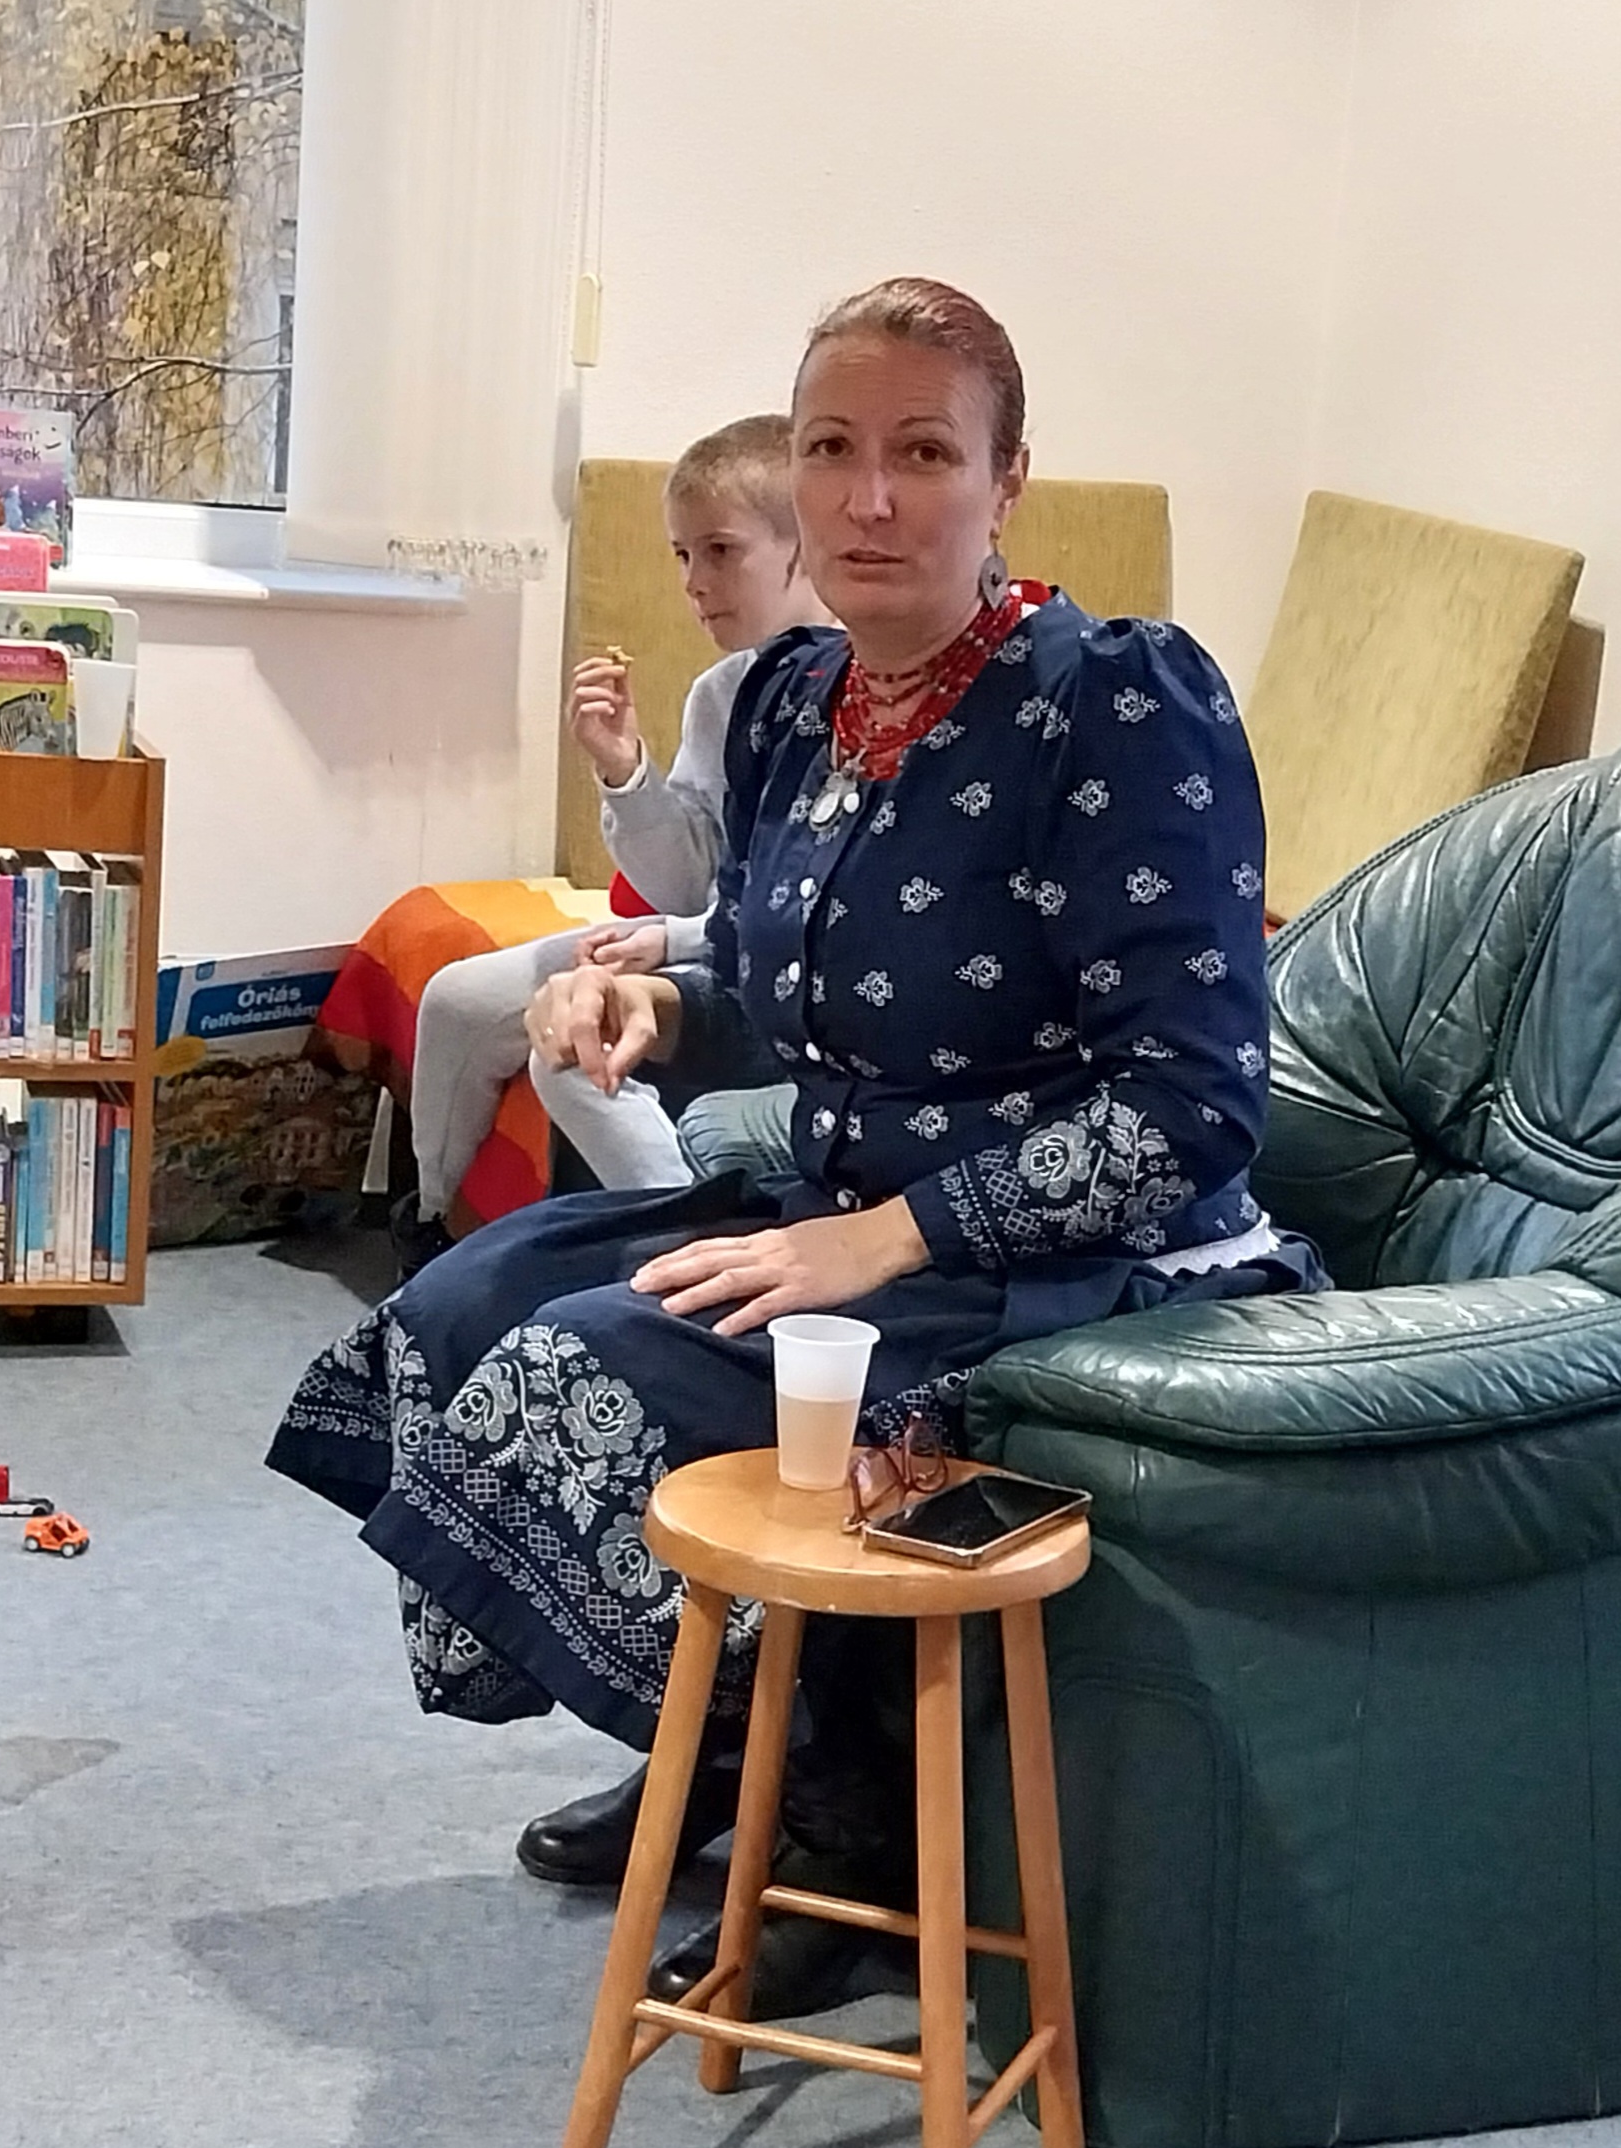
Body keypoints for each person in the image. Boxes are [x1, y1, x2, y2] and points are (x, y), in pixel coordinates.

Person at [268, 277, 1318, 2018]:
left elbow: (1194, 1109)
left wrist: (887, 1238)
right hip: (844, 1205)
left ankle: (842, 1845)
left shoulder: (1115, 703)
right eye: (833, 449)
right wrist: (652, 1012)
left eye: (926, 453)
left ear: (1007, 481)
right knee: (463, 1304)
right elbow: (786, 997)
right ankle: (715, 1750)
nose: (870, 497)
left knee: (591, 1360)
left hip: (1072, 1253)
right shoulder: (787, 703)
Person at [389, 416, 828, 1270]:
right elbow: (686, 879)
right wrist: (624, 770)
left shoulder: (858, 690)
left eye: (720, 551)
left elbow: (807, 904)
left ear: (805, 544)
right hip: (700, 939)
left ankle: (692, 1248)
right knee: (456, 996)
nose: (694, 583)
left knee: (573, 1052)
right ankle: (432, 1219)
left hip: (751, 967)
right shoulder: (720, 691)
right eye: (681, 555)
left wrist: (675, 939)